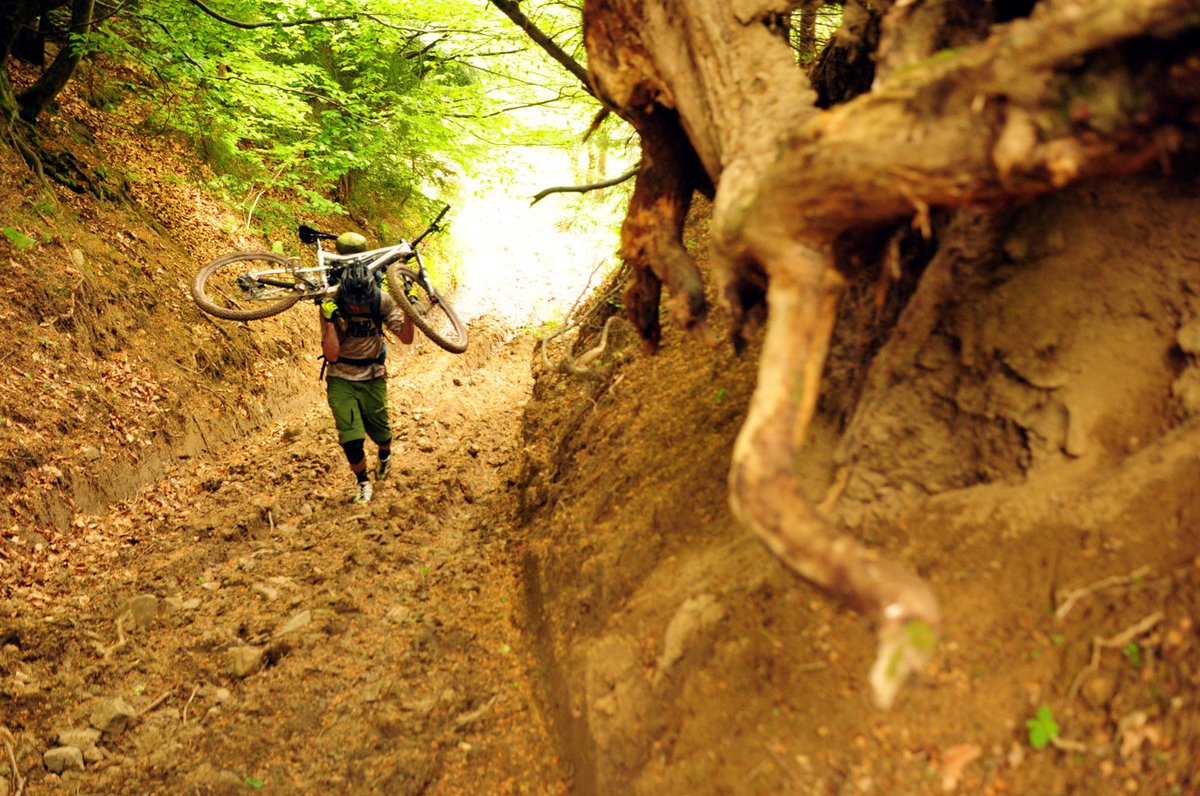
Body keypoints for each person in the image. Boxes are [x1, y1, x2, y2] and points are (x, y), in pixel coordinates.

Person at [319, 232, 415, 504]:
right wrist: (328, 321)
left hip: (373, 376)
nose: (357, 306)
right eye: (352, 304)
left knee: (382, 434)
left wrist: (409, 309)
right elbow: (332, 355)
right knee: (350, 437)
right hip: (342, 377)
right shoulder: (332, 302)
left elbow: (406, 338)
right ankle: (362, 482)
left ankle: (385, 456)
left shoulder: (380, 299)